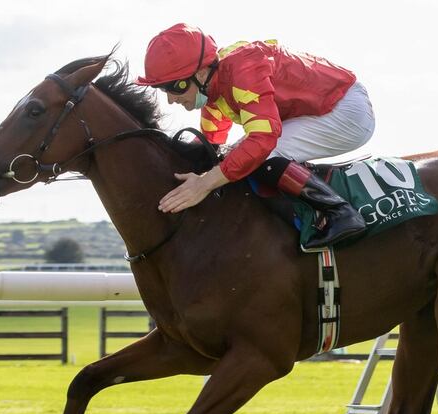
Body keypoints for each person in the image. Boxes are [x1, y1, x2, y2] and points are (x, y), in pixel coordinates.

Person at [135, 23, 375, 251]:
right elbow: (211, 142)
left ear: (201, 72)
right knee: (234, 156)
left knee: (260, 155)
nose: (170, 99)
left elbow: (262, 140)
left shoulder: (243, 70)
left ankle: (341, 213)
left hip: (345, 110)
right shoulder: (213, 87)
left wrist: (205, 184)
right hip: (317, 109)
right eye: (163, 89)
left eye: (174, 87)